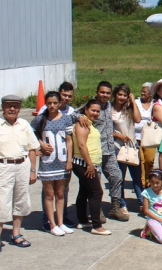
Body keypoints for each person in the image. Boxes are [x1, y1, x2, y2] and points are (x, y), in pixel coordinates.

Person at [74, 81, 127, 222]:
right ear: (97, 92)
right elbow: (73, 114)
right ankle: (96, 211)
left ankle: (115, 207)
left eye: (108, 93)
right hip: (95, 152)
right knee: (93, 185)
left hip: (109, 150)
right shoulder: (91, 106)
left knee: (117, 177)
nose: (105, 95)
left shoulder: (109, 105)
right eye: (102, 92)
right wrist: (79, 117)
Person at [31, 92, 74, 236]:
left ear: (59, 103)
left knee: (60, 193)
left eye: (54, 103)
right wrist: (40, 144)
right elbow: (31, 133)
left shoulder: (66, 119)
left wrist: (69, 160)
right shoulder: (41, 119)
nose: (52, 106)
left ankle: (61, 222)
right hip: (48, 162)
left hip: (62, 161)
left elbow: (69, 140)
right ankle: (52, 224)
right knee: (49, 194)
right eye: (49, 103)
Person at [1, 94, 41, 246]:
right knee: (2, 202)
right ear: (3, 107)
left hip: (22, 166)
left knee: (21, 200)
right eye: (9, 106)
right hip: (3, 167)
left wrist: (32, 170)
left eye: (15, 106)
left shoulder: (24, 125)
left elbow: (32, 148)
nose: (12, 109)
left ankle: (16, 234)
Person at [69, 100, 109, 236]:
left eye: (97, 111)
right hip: (84, 164)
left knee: (84, 192)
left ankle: (83, 220)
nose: (95, 113)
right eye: (93, 110)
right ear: (86, 109)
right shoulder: (83, 123)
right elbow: (81, 145)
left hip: (87, 163)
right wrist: (90, 164)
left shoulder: (88, 123)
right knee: (96, 193)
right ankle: (97, 225)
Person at [111, 83, 143, 215]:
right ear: (115, 94)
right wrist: (118, 135)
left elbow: (138, 119)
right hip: (118, 147)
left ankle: (142, 202)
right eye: (120, 94)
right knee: (120, 177)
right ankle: (121, 203)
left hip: (132, 145)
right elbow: (106, 130)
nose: (122, 97)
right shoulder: (109, 109)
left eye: (125, 95)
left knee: (137, 176)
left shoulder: (129, 108)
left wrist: (133, 102)